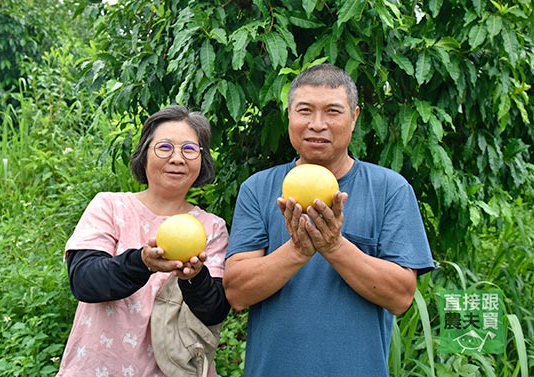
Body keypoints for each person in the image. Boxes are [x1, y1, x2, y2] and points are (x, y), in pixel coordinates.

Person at [223, 64, 435, 376]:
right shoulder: (258, 189)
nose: (317, 124)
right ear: (289, 116)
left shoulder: (390, 189)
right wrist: (297, 251)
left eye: (333, 111)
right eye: (305, 110)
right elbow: (237, 292)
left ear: (355, 118)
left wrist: (334, 246)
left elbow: (401, 296)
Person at [57, 105, 230, 376]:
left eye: (189, 149)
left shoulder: (212, 227)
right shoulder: (109, 206)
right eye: (164, 147)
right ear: (144, 154)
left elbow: (214, 311)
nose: (177, 158)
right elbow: (85, 281)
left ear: (202, 160)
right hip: (98, 368)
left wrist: (194, 277)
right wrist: (142, 262)